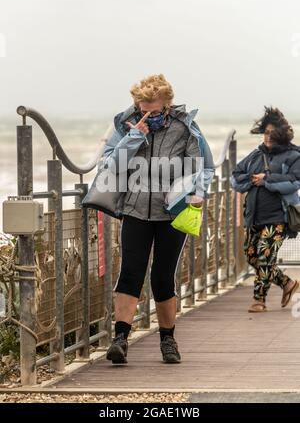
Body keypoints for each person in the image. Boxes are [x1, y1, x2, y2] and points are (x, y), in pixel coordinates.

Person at [101, 74, 214, 364]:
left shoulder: (184, 126)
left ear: (167, 103)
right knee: (130, 274)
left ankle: (168, 340)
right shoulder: (125, 124)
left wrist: (198, 193)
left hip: (172, 213)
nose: (147, 114)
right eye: (142, 108)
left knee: (163, 277)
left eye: (153, 109)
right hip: (136, 210)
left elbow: (200, 167)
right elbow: (110, 165)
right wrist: (134, 135)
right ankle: (120, 340)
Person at [231, 107, 300, 312]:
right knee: (251, 255)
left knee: (265, 253)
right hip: (254, 215)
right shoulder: (255, 155)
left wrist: (267, 179)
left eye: (273, 133)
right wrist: (252, 181)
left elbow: (295, 182)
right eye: (266, 132)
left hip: (279, 216)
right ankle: (287, 283)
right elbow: (236, 176)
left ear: (282, 135)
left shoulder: (293, 155)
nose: (268, 137)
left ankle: (259, 299)